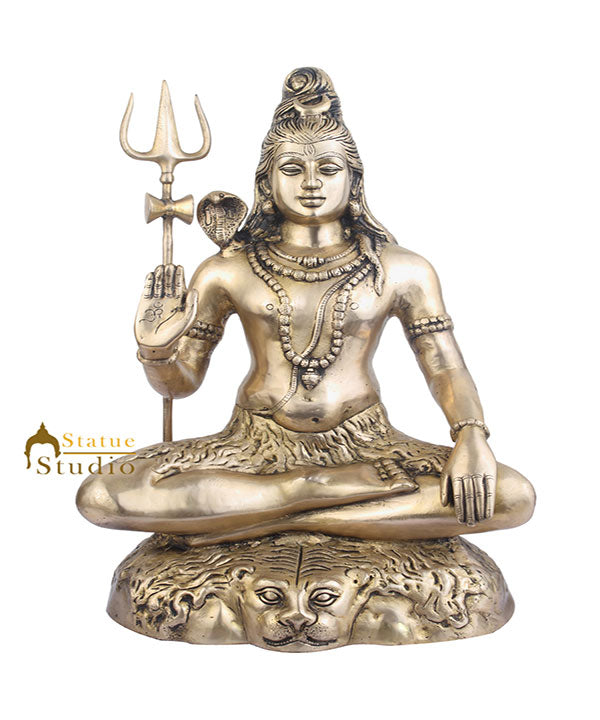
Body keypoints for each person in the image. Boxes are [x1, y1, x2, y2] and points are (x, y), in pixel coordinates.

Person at [77, 67, 534, 544]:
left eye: (329, 169)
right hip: (253, 444)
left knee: (511, 494)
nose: (311, 182)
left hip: (366, 444)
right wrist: (156, 352)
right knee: (102, 495)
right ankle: (310, 492)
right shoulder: (227, 269)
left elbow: (444, 366)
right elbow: (181, 385)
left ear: (354, 180)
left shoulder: (402, 268)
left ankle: (262, 518)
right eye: (292, 169)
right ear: (266, 181)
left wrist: (470, 435)